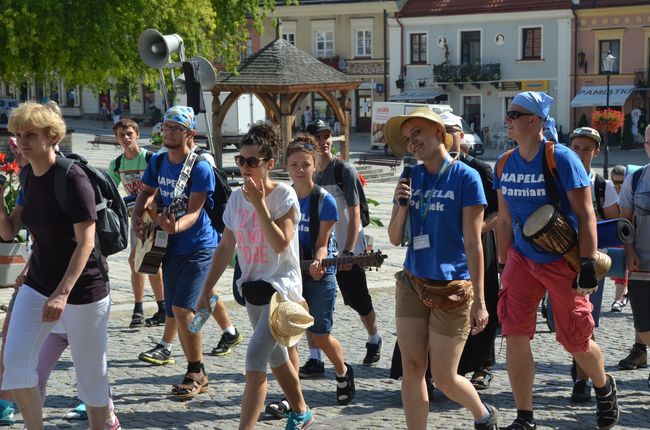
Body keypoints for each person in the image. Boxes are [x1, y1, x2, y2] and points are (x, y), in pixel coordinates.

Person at [494, 91, 619, 430]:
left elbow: (586, 214)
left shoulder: (560, 158)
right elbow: (504, 221)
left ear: (535, 120)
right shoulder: (504, 163)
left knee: (573, 338)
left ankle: (603, 386)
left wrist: (589, 263)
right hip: (522, 257)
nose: (508, 119)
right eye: (509, 113)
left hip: (562, 259)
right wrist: (504, 264)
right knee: (515, 331)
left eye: (514, 114)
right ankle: (525, 416)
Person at [1, 101, 113, 429]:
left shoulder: (72, 178)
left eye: (31, 135)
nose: (23, 141)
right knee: (15, 362)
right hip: (38, 282)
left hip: (83, 289)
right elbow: (9, 231)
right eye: (19, 135)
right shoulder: (26, 175)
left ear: (53, 137)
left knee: (91, 376)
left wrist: (62, 293)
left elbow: (87, 242)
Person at [384, 107, 497, 430]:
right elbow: (394, 238)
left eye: (417, 133)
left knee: (445, 377)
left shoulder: (467, 177)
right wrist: (401, 206)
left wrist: (480, 300)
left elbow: (474, 244)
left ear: (437, 131)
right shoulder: (411, 178)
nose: (412, 143)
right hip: (412, 282)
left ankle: (484, 416)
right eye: (407, 139)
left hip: (453, 287)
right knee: (413, 368)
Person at [196, 122, 314, 429]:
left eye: (251, 161)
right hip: (252, 290)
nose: (244, 167)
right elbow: (225, 247)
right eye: (240, 160)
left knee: (254, 361)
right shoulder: (235, 199)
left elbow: (280, 242)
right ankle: (301, 410)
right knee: (277, 358)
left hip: (281, 291)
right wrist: (206, 289)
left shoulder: (283, 195)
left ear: (269, 164)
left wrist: (260, 205)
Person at [266, 135, 354, 419]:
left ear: (314, 165)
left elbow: (322, 241)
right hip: (291, 275)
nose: (299, 170)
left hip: (317, 275)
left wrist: (319, 261)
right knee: (288, 336)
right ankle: (294, 398)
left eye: (305, 164)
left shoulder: (323, 200)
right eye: (294, 165)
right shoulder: (281, 196)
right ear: (285, 166)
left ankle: (342, 371)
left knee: (320, 334)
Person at [132, 106, 216, 397]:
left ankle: (196, 370)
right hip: (169, 247)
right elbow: (146, 191)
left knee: (181, 308)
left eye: (175, 128)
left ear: (190, 133)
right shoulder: (157, 160)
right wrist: (138, 216)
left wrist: (175, 227)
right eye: (166, 127)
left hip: (200, 245)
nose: (168, 133)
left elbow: (194, 212)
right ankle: (208, 305)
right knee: (178, 309)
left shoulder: (200, 167)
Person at [308, 119, 382, 374]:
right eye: (318, 137)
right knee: (312, 302)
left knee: (358, 299)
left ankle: (374, 338)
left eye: (327, 135)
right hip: (319, 249)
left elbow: (355, 214)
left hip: (346, 249)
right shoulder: (309, 172)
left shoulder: (344, 171)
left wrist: (348, 251)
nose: (324, 141)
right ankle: (314, 357)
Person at [559, 126, 620, 403]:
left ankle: (582, 381)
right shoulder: (557, 180)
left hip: (591, 262)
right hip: (558, 259)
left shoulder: (601, 185)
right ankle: (580, 364)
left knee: (586, 321)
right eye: (576, 147)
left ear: (596, 152)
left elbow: (615, 225)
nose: (580, 153)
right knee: (558, 319)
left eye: (586, 148)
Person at [441, 112, 500, 391]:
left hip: (480, 243)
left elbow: (499, 211)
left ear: (461, 135)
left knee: (483, 297)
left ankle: (483, 365)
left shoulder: (479, 168)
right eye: (441, 130)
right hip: (448, 246)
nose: (446, 134)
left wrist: (478, 230)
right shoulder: (434, 169)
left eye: (451, 129)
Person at [108, 118, 166, 329]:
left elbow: (158, 190)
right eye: (121, 135)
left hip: (153, 216)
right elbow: (111, 192)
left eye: (129, 134)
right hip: (135, 218)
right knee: (140, 262)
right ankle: (157, 307)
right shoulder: (116, 164)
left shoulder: (150, 158)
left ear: (137, 135)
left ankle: (142, 308)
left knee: (141, 261)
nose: (125, 138)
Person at [618, 126, 650, 388]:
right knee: (643, 321)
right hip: (642, 262)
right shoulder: (636, 179)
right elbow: (624, 221)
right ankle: (642, 350)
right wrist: (628, 251)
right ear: (646, 146)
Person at [609, 164, 629, 312]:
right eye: (615, 182)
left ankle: (618, 299)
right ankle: (625, 294)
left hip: (628, 234)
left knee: (622, 267)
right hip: (612, 233)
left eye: (621, 182)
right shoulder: (608, 191)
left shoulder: (630, 191)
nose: (617, 186)